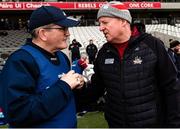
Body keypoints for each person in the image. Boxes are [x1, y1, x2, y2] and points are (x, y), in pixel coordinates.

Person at [83, 1, 180, 127]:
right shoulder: (104, 52)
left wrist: (174, 123)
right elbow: (96, 88)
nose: (100, 27)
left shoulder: (152, 45)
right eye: (99, 23)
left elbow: (171, 87)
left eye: (105, 22)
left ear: (123, 21)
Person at [0, 6, 85, 128]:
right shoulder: (20, 60)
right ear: (43, 33)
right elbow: (17, 113)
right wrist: (64, 86)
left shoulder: (62, 57)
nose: (68, 33)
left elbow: (64, 100)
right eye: (63, 28)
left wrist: (77, 86)